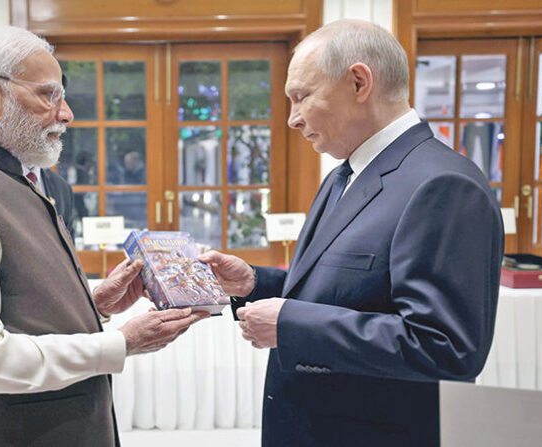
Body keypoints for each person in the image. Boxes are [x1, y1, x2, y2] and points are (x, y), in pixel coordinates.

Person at [0, 26, 206, 447]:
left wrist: (93, 305)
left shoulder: (9, 175)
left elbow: (13, 306)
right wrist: (120, 344)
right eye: (48, 95)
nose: (66, 113)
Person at [199, 19, 503, 447]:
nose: (293, 119)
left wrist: (292, 325)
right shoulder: (343, 176)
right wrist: (253, 282)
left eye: (301, 97)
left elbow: (445, 347)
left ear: (359, 82)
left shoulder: (443, 184)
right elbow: (345, 292)